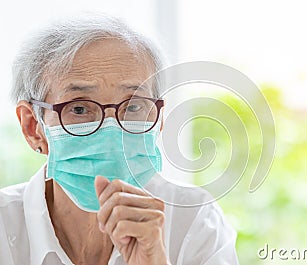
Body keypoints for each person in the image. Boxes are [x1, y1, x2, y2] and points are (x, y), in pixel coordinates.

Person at [0, 15, 239, 265]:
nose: (112, 132)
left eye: (134, 106)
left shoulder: (193, 220)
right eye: (79, 109)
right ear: (32, 126)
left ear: (159, 120)